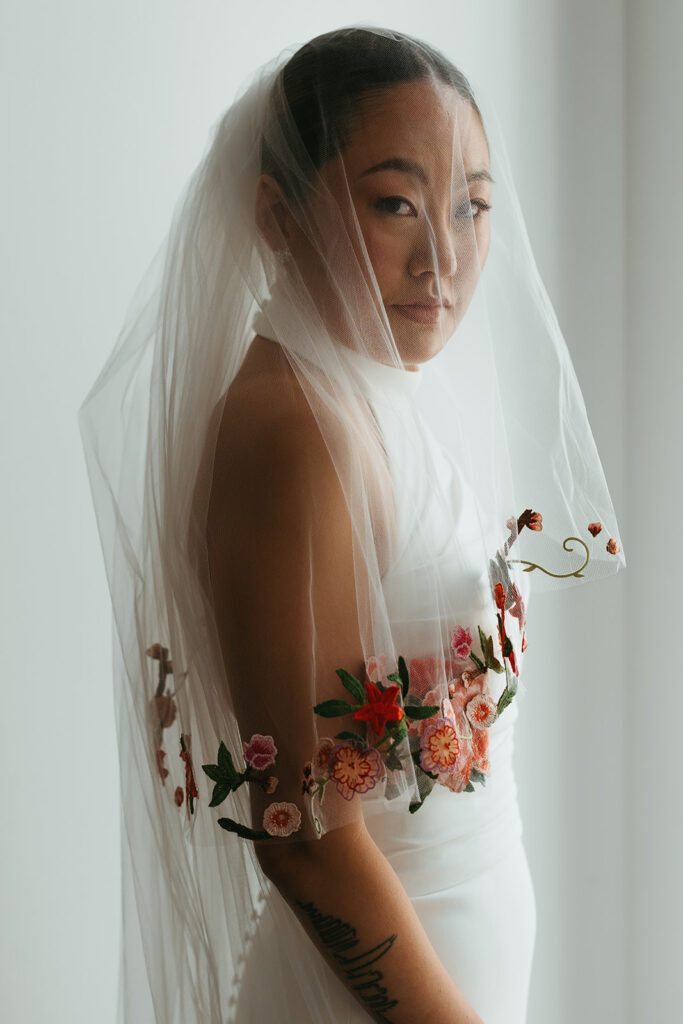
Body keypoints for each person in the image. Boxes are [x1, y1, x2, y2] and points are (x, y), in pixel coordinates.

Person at [78, 24, 625, 1024]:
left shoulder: (367, 391)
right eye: (395, 204)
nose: (444, 257)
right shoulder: (290, 429)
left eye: (471, 207)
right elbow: (300, 833)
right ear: (276, 216)